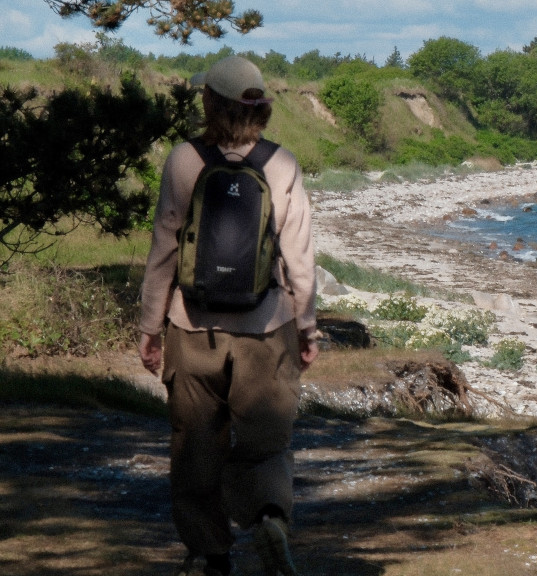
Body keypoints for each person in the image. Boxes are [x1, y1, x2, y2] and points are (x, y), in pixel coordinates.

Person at [138, 55, 318, 576]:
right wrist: (306, 326)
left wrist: (151, 328)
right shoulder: (281, 164)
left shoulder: (183, 160)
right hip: (267, 327)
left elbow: (165, 250)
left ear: (208, 102)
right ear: (260, 107)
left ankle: (209, 556)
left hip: (192, 327)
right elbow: (299, 256)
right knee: (266, 442)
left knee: (194, 443)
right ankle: (267, 516)